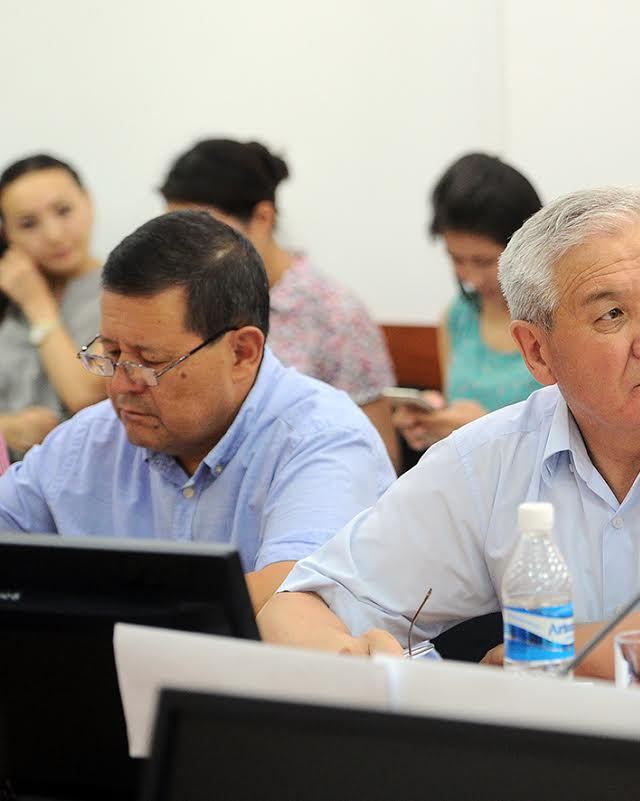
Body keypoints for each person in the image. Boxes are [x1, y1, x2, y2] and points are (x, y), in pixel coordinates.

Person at [259, 187, 640, 678]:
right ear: (537, 351)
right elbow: (298, 605)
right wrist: (355, 661)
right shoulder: (493, 457)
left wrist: (525, 655)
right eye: (612, 314)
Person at [0, 211, 395, 611]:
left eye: (150, 363)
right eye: (112, 354)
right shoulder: (89, 440)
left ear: (242, 352)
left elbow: (290, 598)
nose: (119, 386)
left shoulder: (324, 440)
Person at [160, 138, 402, 467]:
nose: (187, 249)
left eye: (204, 231)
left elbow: (378, 454)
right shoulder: (176, 302)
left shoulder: (335, 312)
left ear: (262, 217)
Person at [391, 153, 544, 452]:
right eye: (456, 259)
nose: (471, 278)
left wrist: (486, 427)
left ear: (525, 247)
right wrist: (433, 421)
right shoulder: (458, 317)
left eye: (484, 261)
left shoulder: (557, 318)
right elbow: (456, 433)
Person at [0, 155, 108, 460]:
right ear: (7, 233)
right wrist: (6, 428)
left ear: (88, 203)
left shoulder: (125, 292)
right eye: (28, 224)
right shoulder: (8, 296)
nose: (54, 235)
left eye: (64, 211)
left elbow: (85, 395)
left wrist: (38, 305)